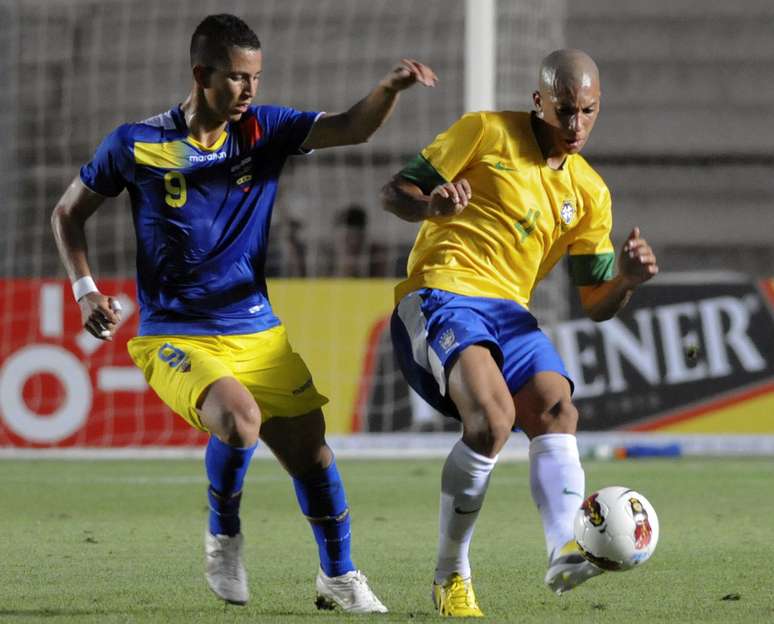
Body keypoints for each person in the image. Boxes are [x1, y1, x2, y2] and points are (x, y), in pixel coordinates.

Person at [51, 13, 436, 613]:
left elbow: (351, 129)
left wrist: (388, 90)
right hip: (175, 334)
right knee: (239, 419)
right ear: (201, 74)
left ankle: (338, 576)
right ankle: (223, 534)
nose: (249, 90)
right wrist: (84, 289)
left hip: (258, 331)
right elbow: (67, 214)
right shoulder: (134, 143)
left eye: (255, 77)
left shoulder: (266, 130)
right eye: (236, 78)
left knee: (312, 456)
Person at [381, 49, 658, 617]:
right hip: (440, 292)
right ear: (539, 101)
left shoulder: (590, 193)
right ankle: (450, 573)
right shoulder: (484, 132)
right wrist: (432, 206)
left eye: (587, 111)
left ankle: (564, 547)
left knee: (558, 407)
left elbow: (596, 304)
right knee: (492, 421)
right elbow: (394, 193)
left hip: (509, 312)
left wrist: (627, 280)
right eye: (564, 111)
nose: (576, 125)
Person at [319, 204, 389, 277]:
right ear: (334, 237)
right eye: (347, 238)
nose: (354, 242)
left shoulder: (377, 257)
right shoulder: (324, 257)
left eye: (359, 237)